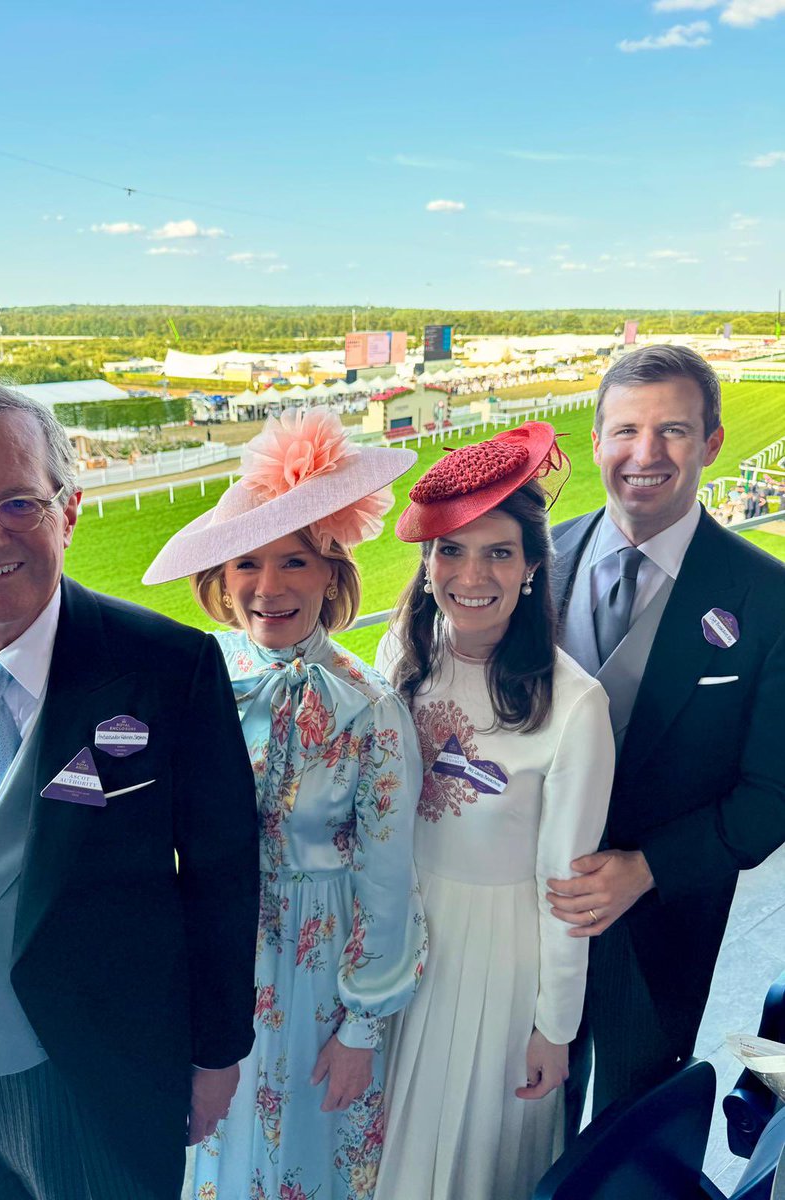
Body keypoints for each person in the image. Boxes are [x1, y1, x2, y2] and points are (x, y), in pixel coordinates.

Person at [0, 380, 260, 1200]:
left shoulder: (170, 667)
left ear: (71, 508)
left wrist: (216, 1053)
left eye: (19, 502)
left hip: (109, 1082)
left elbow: (223, 876)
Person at [143, 408, 428, 1200]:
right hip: (212, 960)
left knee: (304, 1153)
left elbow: (388, 880)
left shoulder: (370, 708)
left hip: (318, 970)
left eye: (295, 561)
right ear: (221, 578)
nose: (269, 588)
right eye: (248, 564)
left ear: (332, 573)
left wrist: (361, 1028)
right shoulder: (195, 681)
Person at [373, 423, 615, 1200]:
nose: (471, 574)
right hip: (397, 945)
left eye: (500, 553)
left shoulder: (575, 706)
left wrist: (556, 1026)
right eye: (451, 549)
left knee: (470, 1161)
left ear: (534, 567)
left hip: (499, 962)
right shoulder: (399, 656)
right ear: (426, 559)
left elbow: (566, 890)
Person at [548, 345, 785, 1132]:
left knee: (631, 1140)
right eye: (626, 430)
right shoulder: (536, 562)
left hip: (661, 927)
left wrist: (645, 870)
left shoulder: (770, 597)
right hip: (524, 911)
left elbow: (771, 795)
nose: (644, 454)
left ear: (712, 442)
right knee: (522, 1122)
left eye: (673, 431)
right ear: (596, 442)